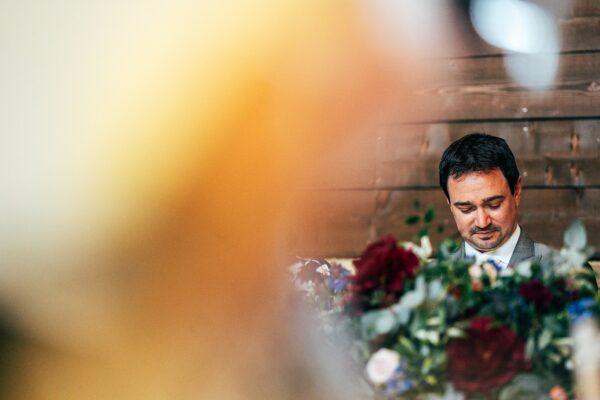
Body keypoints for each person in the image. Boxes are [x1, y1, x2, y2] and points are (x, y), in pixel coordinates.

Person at [438, 133, 551, 267]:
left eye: (494, 205)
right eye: (466, 209)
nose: (482, 223)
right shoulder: (431, 276)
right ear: (449, 203)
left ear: (517, 192)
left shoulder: (563, 270)